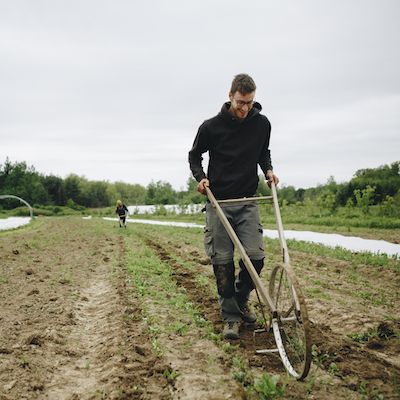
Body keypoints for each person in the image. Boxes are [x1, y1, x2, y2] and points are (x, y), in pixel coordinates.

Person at [188, 73, 279, 340]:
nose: (244, 108)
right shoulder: (211, 127)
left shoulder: (262, 124)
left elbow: (264, 151)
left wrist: (269, 170)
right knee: (223, 263)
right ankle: (230, 316)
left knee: (256, 258)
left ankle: (240, 301)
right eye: (241, 102)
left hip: (247, 200)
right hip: (219, 202)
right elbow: (194, 156)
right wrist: (200, 177)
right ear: (230, 96)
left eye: (249, 103)